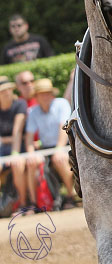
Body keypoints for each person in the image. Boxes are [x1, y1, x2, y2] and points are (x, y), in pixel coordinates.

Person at [24, 79, 76, 210]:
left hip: (65, 145)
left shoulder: (61, 104)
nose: (46, 96)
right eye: (42, 93)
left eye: (48, 93)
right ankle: (34, 203)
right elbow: (29, 137)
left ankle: (71, 197)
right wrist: (30, 153)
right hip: (45, 148)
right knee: (31, 163)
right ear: (36, 97)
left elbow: (63, 128)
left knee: (59, 159)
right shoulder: (33, 111)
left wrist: (59, 149)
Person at [0, 77, 30, 212]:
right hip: (2, 149)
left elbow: (17, 131)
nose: (6, 93)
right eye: (2, 91)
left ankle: (23, 203)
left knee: (17, 164)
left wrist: (14, 153)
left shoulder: (20, 104)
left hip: (19, 147)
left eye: (8, 90)